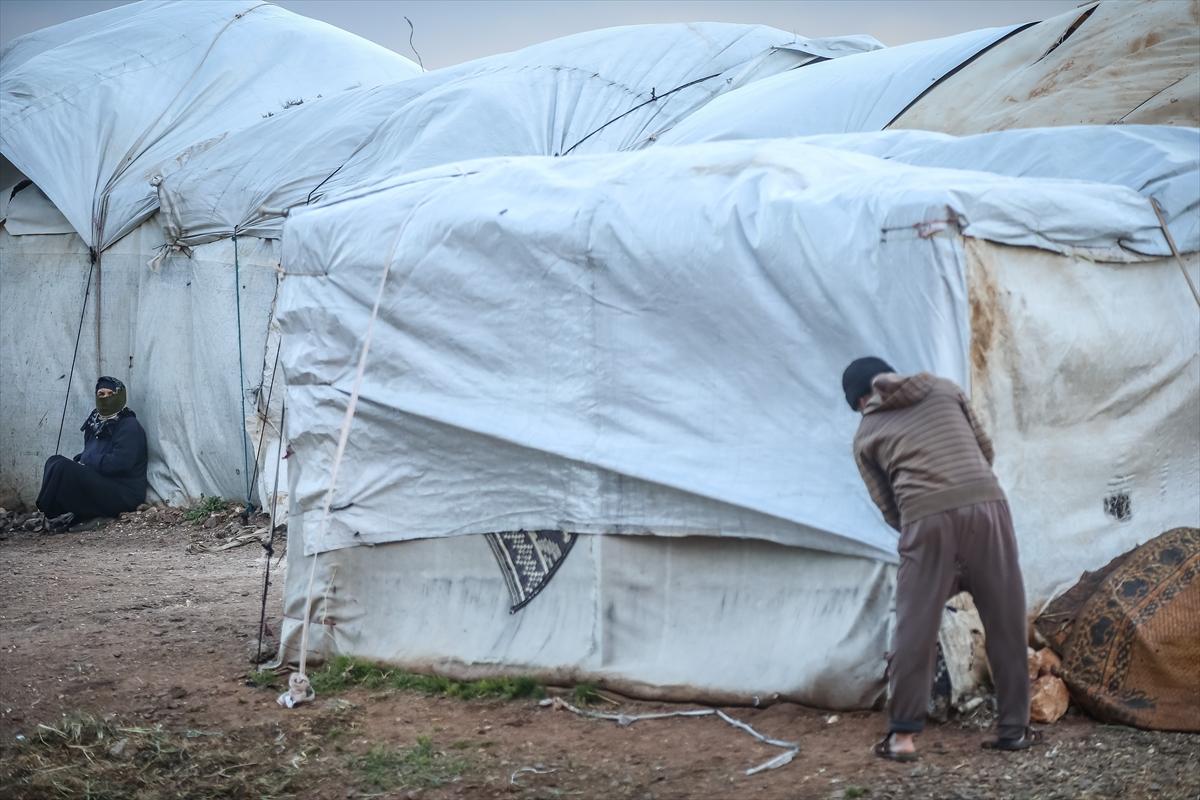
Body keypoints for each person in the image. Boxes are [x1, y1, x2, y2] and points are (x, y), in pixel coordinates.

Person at [841, 357, 1038, 762]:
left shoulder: (866, 434)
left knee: (915, 627)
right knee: (1005, 620)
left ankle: (902, 739)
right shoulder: (946, 389)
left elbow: (887, 506)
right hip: (987, 505)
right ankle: (1014, 730)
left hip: (924, 518)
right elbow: (984, 449)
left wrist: (925, 528)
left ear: (861, 398)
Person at [36, 376, 148, 531]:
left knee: (62, 467)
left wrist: (87, 460)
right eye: (101, 394)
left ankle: (50, 514)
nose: (106, 398)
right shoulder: (95, 423)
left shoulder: (129, 426)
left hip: (124, 493)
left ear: (121, 397)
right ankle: (49, 513)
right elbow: (92, 454)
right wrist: (82, 460)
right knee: (54, 461)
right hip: (103, 482)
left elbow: (121, 463)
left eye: (111, 394)